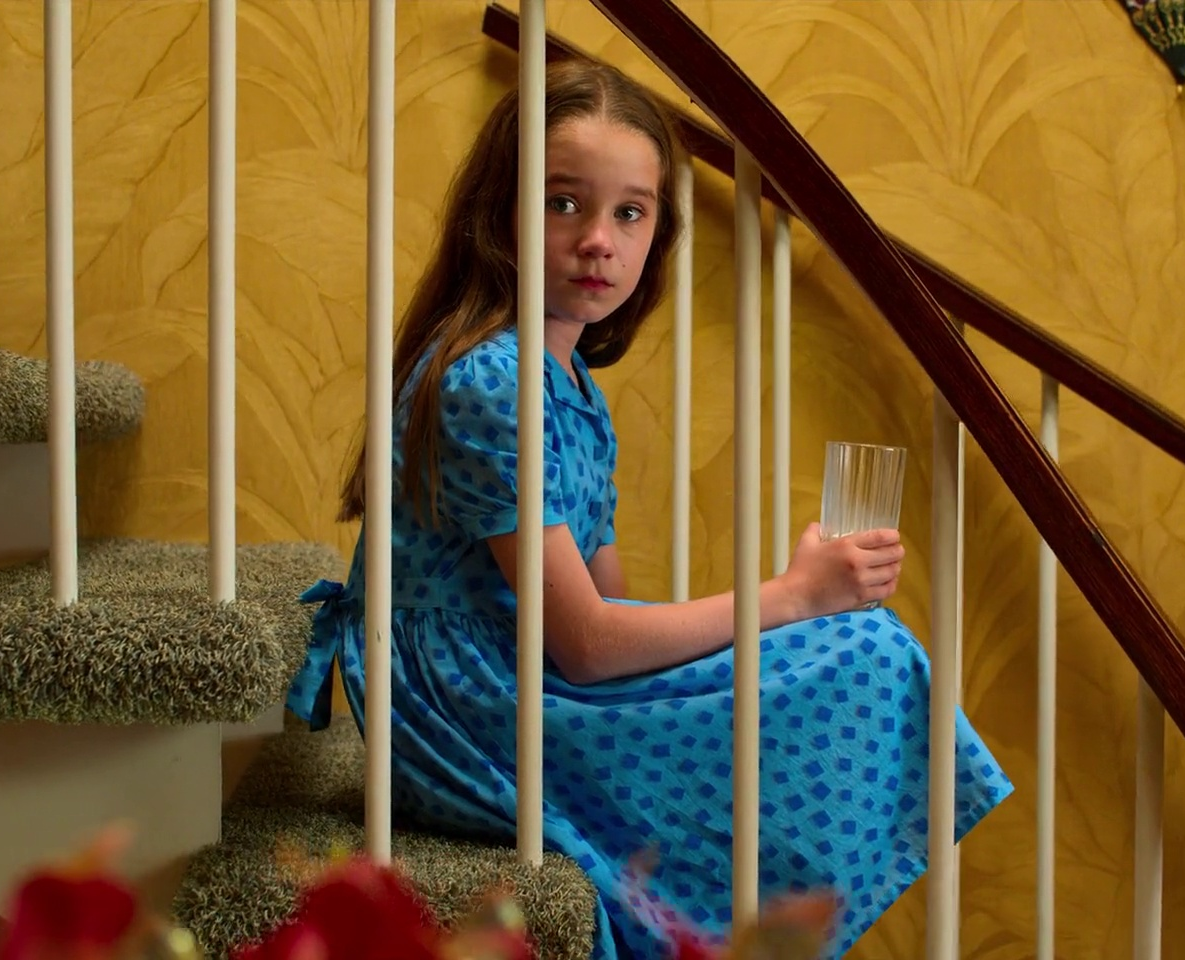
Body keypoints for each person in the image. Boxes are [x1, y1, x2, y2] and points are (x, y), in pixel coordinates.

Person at [285, 59, 1013, 959]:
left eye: (630, 212)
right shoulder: (489, 381)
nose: (599, 239)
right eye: (563, 203)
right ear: (499, 214)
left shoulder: (569, 384)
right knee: (863, 654)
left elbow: (614, 610)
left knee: (845, 649)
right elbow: (587, 646)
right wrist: (790, 596)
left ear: (657, 233)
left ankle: (740, 912)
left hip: (530, 675)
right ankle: (730, 926)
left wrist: (792, 615)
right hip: (465, 710)